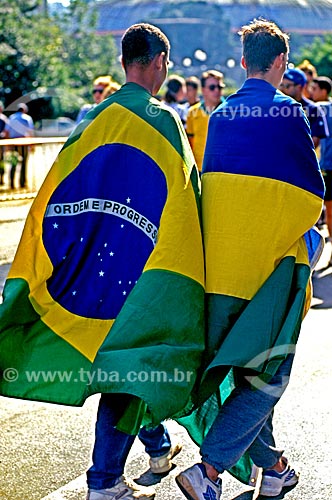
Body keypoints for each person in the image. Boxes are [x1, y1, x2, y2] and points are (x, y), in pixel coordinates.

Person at [0, 23, 204, 500]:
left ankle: (155, 447)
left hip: (90, 271)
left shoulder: (91, 119)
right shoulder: (165, 120)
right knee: (130, 368)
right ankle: (105, 481)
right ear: (160, 62)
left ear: (122, 63)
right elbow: (186, 198)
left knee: (125, 368)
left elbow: (56, 196)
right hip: (143, 274)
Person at [176, 19, 324, 500]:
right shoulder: (290, 113)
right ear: (281, 62)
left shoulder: (220, 115)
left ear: (243, 63)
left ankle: (276, 469)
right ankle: (209, 471)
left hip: (220, 270)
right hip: (268, 273)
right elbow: (310, 196)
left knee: (246, 374)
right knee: (267, 377)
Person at [310, 75, 332, 264]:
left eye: (315, 89)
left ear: (323, 91)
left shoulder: (321, 109)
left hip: (326, 165)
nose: (311, 92)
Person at [186, 70, 225, 172]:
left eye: (220, 87)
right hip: (199, 169)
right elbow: (190, 143)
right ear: (203, 90)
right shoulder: (192, 112)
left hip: (223, 169)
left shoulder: (231, 111)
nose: (217, 90)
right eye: (212, 87)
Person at [279, 67, 328, 148]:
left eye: (287, 86)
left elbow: (314, 141)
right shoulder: (276, 108)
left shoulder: (313, 109)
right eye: (281, 85)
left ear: (300, 87)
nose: (283, 89)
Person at [4, 102, 34, 189]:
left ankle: (11, 183)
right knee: (24, 163)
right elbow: (30, 132)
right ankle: (22, 183)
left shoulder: (11, 118)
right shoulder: (27, 118)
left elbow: (7, 132)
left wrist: (7, 144)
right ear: (24, 110)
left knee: (13, 163)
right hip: (24, 143)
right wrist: (31, 144)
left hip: (13, 143)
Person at [0, 100, 8, 185]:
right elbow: (6, 132)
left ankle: (1, 179)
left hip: (2, 144)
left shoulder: (4, 119)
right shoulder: (4, 118)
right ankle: (1, 179)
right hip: (2, 144)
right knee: (1, 161)